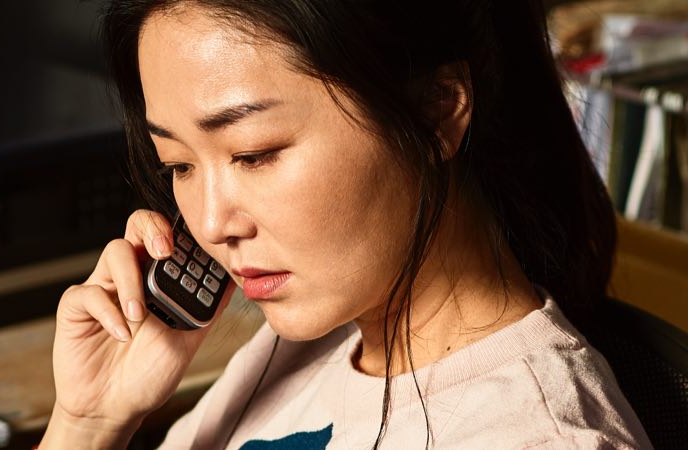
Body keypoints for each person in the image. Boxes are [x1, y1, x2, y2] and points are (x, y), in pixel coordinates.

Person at [41, 0, 652, 448]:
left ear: (437, 111)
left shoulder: (534, 436)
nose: (209, 224)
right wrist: (87, 425)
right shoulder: (310, 339)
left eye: (253, 153)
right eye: (177, 164)